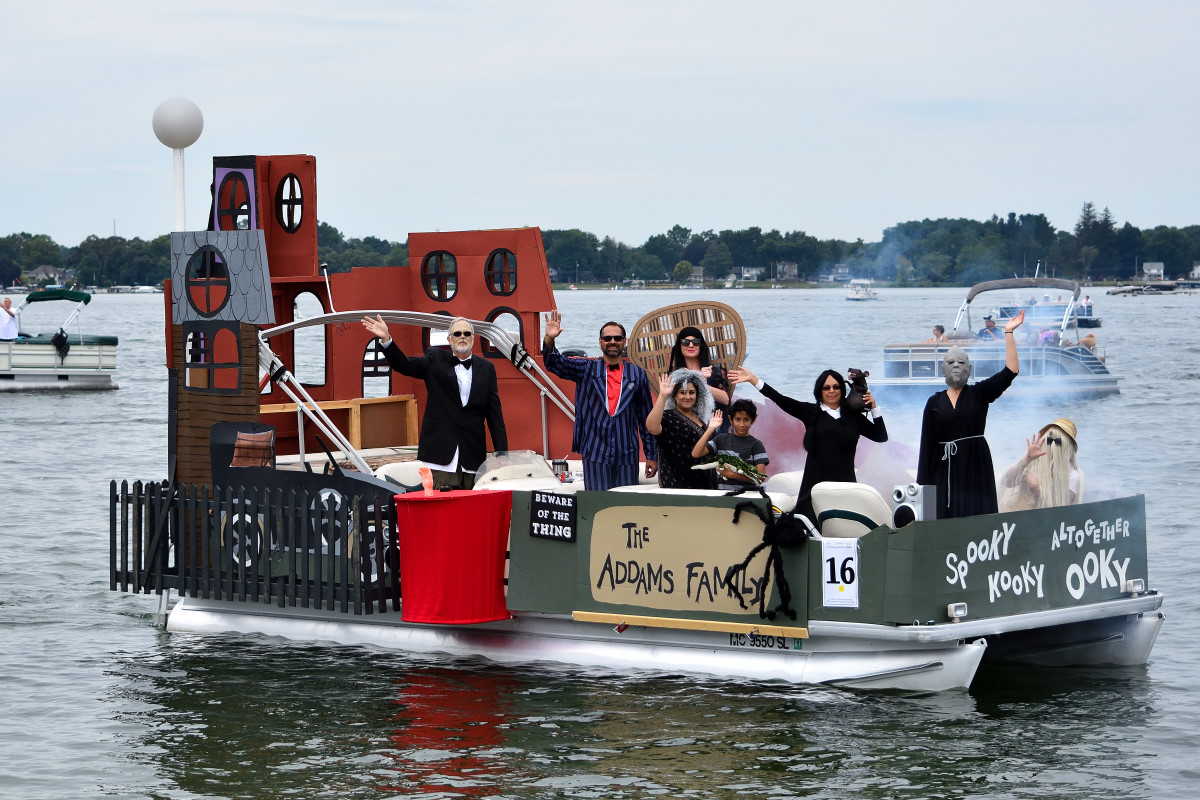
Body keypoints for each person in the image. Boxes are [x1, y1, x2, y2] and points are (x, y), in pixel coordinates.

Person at [362, 314, 507, 490]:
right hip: (441, 455)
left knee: (470, 503)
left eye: (467, 333)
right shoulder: (435, 358)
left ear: (473, 338)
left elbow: (494, 414)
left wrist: (502, 453)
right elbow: (404, 365)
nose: (462, 337)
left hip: (473, 456)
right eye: (457, 333)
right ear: (449, 339)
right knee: (444, 504)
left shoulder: (487, 368)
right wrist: (387, 339)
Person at [728, 365, 887, 523]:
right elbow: (779, 399)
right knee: (811, 528)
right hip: (815, 486)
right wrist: (753, 379)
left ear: (842, 390)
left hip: (845, 485)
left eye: (836, 387)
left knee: (847, 527)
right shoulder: (810, 412)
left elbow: (881, 436)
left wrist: (874, 408)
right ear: (819, 391)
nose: (831, 391)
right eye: (826, 388)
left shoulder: (854, 417)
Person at [917, 310, 1025, 519]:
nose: (956, 366)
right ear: (943, 369)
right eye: (951, 362)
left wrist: (1008, 332)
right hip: (943, 470)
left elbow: (1010, 371)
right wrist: (922, 490)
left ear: (970, 368)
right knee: (943, 518)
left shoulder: (980, 393)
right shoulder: (934, 402)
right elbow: (926, 448)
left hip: (975, 466)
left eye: (962, 362)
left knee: (977, 517)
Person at [542, 311, 658, 490]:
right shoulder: (586, 369)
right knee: (596, 501)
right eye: (607, 338)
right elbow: (555, 364)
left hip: (627, 453)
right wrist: (549, 340)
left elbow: (645, 418)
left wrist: (651, 455)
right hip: (595, 452)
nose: (612, 341)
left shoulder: (638, 374)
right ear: (600, 341)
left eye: (617, 338)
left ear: (624, 341)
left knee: (626, 502)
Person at [646, 369, 717, 490]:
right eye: (682, 392)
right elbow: (652, 428)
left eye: (692, 392)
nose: (687, 397)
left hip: (706, 484)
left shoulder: (703, 421)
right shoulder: (668, 417)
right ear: (674, 395)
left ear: (697, 395)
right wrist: (663, 396)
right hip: (678, 485)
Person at [1000, 418, 1083, 512]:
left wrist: (1036, 487)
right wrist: (1026, 459)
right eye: (1049, 440)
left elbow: (1059, 510)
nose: (1051, 446)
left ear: (1066, 447)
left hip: (1043, 519)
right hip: (1018, 514)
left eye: (1057, 442)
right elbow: (1006, 482)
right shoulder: (1033, 460)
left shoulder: (1072, 475)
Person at [691, 398, 769, 491]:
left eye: (746, 420)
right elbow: (696, 453)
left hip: (748, 495)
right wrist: (710, 429)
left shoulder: (756, 445)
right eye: (737, 419)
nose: (741, 424)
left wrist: (731, 475)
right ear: (730, 419)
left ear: (753, 420)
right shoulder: (720, 439)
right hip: (723, 495)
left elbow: (761, 477)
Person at [668, 326, 731, 427]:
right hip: (686, 427)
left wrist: (701, 382)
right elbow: (671, 405)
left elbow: (725, 399)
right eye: (686, 342)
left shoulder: (715, 371)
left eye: (696, 342)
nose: (691, 345)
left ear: (701, 345)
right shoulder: (675, 376)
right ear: (680, 346)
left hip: (715, 426)